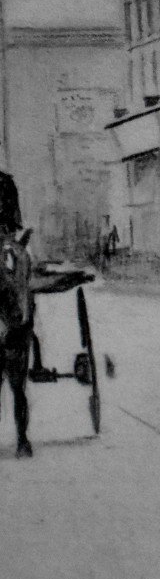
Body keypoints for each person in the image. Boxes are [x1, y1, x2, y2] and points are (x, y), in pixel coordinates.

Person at [0, 161, 33, 456]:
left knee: (18, 385)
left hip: (8, 249)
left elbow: (14, 221)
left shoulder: (6, 183)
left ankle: (22, 438)